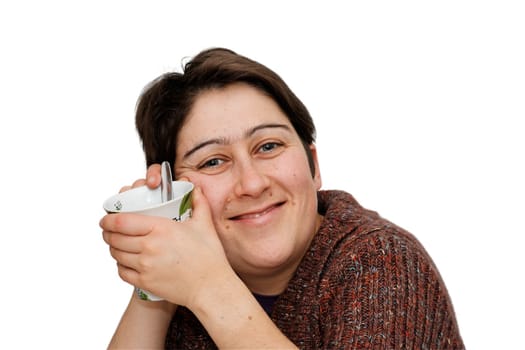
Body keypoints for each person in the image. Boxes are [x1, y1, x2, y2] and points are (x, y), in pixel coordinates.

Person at [100, 47, 464, 349]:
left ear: (313, 166)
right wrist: (153, 277)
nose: (252, 183)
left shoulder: (382, 260)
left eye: (269, 146)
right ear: (177, 193)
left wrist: (209, 290)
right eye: (213, 161)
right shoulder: (191, 276)